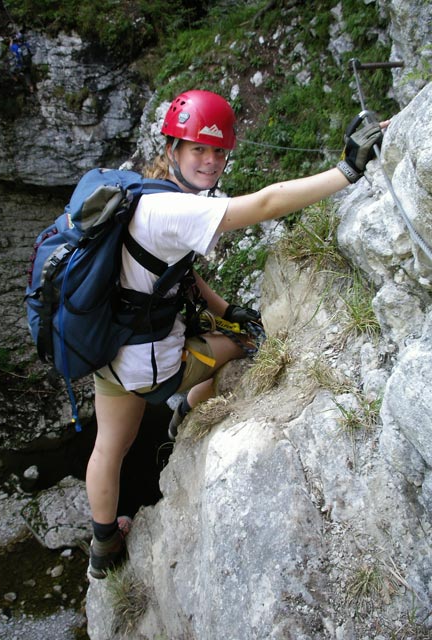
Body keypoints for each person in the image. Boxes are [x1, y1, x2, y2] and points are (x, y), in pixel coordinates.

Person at [86, 89, 386, 579]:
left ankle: (103, 545)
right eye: (197, 149)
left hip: (107, 349)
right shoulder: (179, 211)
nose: (209, 161)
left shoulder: (148, 193)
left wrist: (225, 307)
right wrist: (347, 171)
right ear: (172, 151)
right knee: (243, 345)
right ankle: (184, 408)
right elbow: (268, 202)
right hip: (150, 365)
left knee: (108, 448)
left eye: (217, 151)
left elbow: (177, 270)